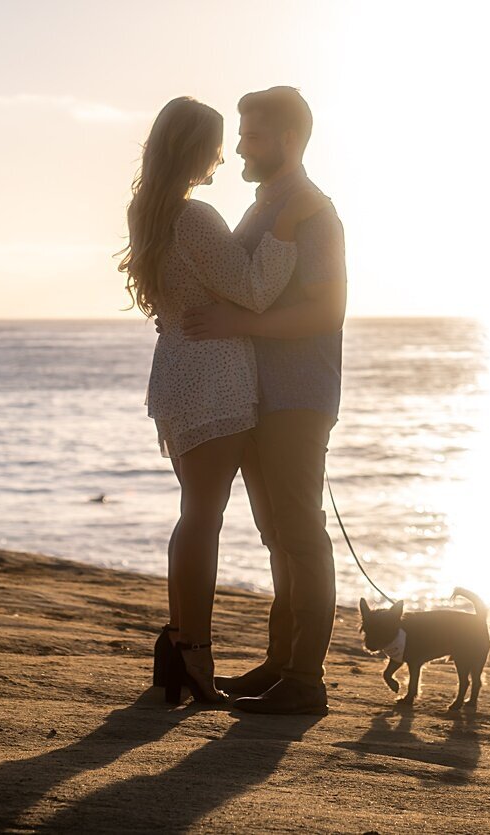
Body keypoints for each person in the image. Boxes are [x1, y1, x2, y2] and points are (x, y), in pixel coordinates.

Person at [118, 96, 328, 705]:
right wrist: (287, 226)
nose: (225, 153)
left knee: (196, 515)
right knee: (203, 519)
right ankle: (194, 655)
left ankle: (182, 646)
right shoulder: (196, 217)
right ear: (194, 149)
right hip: (212, 378)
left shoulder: (150, 211)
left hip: (176, 376)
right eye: (217, 142)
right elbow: (257, 291)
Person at [182, 86, 347, 716]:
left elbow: (327, 310)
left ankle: (307, 681)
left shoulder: (313, 210)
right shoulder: (264, 205)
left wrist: (237, 325)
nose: (242, 145)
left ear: (291, 139)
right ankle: (283, 664)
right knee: (278, 535)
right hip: (259, 396)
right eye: (243, 133)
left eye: (253, 134)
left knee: (301, 534)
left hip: (298, 396)